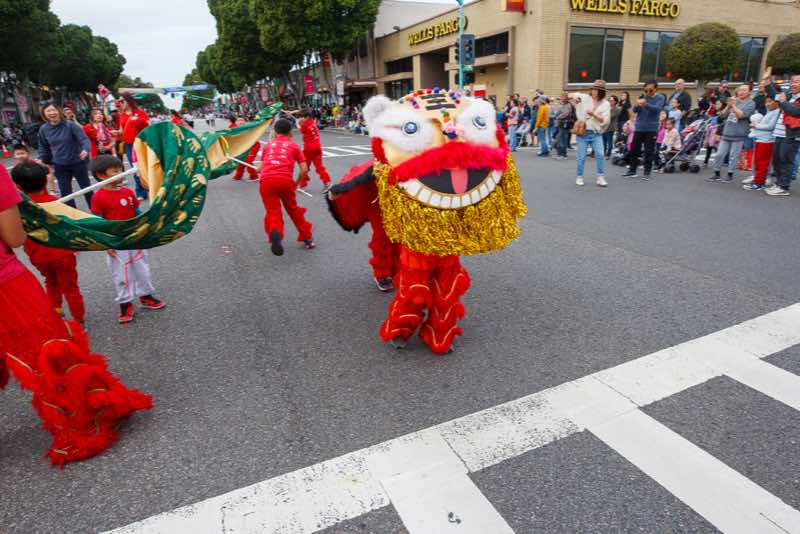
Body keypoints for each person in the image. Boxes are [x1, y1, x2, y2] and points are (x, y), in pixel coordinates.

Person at [89, 155, 166, 323]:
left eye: (121, 170)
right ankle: (125, 303)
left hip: (136, 239)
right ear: (101, 175)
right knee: (121, 275)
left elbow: (137, 213)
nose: (120, 174)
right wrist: (105, 244)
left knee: (142, 269)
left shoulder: (128, 192)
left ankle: (146, 296)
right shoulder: (98, 197)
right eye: (115, 171)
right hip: (116, 243)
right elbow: (97, 223)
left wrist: (146, 226)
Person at [10, 162, 86, 324]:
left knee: (51, 283)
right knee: (70, 288)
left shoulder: (20, 208)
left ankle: (56, 315)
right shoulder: (54, 202)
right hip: (63, 254)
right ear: (46, 181)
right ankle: (78, 320)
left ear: (18, 186)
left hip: (38, 256)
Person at [258, 118, 315, 256]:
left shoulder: (268, 146)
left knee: (273, 211)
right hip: (285, 180)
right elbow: (304, 169)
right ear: (290, 132)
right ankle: (307, 238)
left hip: (266, 182)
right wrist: (296, 183)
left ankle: (275, 232)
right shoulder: (294, 146)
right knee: (293, 210)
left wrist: (257, 170)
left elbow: (259, 168)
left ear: (275, 132)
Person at [37, 102, 93, 208]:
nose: (52, 113)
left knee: (86, 188)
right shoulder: (43, 129)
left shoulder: (70, 124)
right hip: (60, 165)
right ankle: (72, 214)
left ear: (58, 111)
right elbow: (43, 147)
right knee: (65, 192)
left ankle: (96, 212)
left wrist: (85, 149)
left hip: (77, 162)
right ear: (44, 114)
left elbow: (84, 139)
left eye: (53, 110)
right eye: (48, 111)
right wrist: (43, 159)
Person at [707, 84, 755, 183]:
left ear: (749, 92)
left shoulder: (751, 103)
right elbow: (722, 115)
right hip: (727, 131)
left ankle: (730, 174)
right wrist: (728, 106)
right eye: (740, 90)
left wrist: (733, 105)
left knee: (733, 155)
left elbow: (741, 115)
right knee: (719, 154)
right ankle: (716, 173)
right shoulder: (734, 100)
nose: (741, 92)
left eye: (744, 90)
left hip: (738, 133)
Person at [763, 72, 800, 196]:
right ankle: (779, 183)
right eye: (792, 81)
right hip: (779, 133)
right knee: (777, 160)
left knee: (786, 161)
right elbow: (773, 95)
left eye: (797, 81)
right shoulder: (789, 95)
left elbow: (795, 111)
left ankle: (784, 187)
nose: (793, 84)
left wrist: (783, 102)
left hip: (791, 135)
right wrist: (767, 80)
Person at [569, 80, 611, 187]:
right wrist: (571, 97)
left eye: (597, 90)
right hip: (583, 132)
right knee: (581, 157)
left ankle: (600, 177)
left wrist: (594, 114)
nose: (594, 91)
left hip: (596, 133)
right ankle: (579, 177)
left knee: (600, 155)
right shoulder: (585, 98)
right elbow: (572, 95)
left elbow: (605, 120)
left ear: (602, 92)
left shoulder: (606, 104)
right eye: (593, 89)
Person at [624, 80, 665, 180]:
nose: (648, 92)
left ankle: (647, 172)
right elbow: (634, 110)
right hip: (639, 127)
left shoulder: (660, 97)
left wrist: (645, 104)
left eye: (650, 90)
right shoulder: (642, 96)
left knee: (648, 151)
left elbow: (656, 109)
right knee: (634, 150)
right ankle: (632, 171)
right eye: (646, 90)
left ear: (655, 89)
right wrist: (637, 104)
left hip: (651, 129)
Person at [742, 96, 780, 191]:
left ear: (776, 102)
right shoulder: (770, 112)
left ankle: (759, 183)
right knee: (758, 162)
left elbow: (771, 126)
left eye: (770, 101)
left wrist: (756, 125)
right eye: (766, 102)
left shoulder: (776, 112)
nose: (767, 104)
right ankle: (758, 181)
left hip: (767, 141)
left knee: (762, 163)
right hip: (761, 139)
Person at [117, 94, 150, 199]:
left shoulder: (140, 113)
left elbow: (148, 126)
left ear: (128, 101)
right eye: (119, 101)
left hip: (141, 144)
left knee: (146, 167)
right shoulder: (122, 115)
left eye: (122, 101)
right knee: (135, 169)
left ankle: (152, 187)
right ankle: (141, 192)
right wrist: (115, 133)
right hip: (129, 145)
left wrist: (137, 120)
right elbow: (121, 130)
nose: (120, 103)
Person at [297, 109, 331, 190]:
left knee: (305, 167)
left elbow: (301, 130)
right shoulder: (313, 122)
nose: (301, 118)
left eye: (302, 117)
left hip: (309, 148)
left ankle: (302, 184)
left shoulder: (305, 124)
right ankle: (326, 182)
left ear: (307, 117)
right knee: (319, 166)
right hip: (317, 146)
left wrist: (297, 123)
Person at [231, 117, 260, 181]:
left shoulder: (249, 128)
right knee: (240, 161)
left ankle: (254, 176)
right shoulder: (234, 130)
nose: (240, 122)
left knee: (248, 161)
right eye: (238, 120)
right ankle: (238, 175)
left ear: (245, 122)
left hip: (253, 146)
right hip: (242, 148)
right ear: (235, 122)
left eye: (242, 120)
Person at [553, 93, 575, 160]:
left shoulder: (567, 105)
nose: (560, 98)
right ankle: (562, 154)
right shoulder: (565, 105)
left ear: (565, 98)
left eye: (561, 97)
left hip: (564, 124)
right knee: (561, 139)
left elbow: (566, 113)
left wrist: (558, 117)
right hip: (562, 124)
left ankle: (562, 154)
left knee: (561, 139)